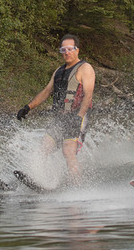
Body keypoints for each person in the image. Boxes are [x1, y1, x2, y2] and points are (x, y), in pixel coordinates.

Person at [15, 34, 95, 182]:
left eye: (70, 49)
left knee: (68, 151)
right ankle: (38, 179)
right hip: (60, 117)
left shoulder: (85, 68)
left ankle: (77, 186)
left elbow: (88, 95)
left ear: (77, 50)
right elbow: (46, 92)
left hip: (77, 116)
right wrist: (28, 107)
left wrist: (79, 117)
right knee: (44, 147)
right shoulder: (59, 71)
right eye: (63, 49)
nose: (67, 52)